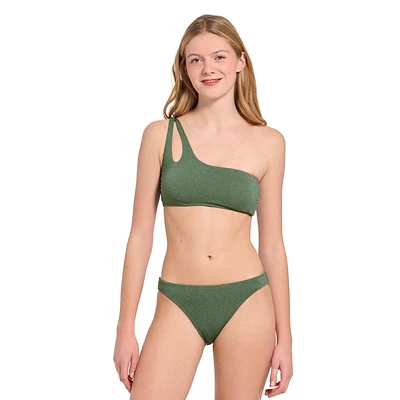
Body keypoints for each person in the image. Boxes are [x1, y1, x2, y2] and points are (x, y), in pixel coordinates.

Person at [113, 13, 293, 399]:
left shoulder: (270, 143)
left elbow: (273, 245)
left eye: (219, 57)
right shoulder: (160, 135)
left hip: (247, 300)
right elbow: (140, 236)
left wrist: (286, 339)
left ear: (240, 61)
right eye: (196, 60)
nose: (208, 69)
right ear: (184, 68)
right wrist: (125, 329)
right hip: (178, 299)